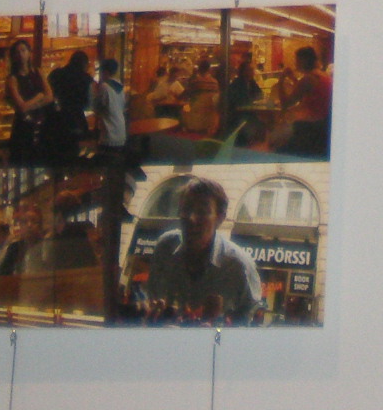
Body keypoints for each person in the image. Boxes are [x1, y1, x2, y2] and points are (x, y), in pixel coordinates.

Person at [145, 177, 262, 322]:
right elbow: (152, 296)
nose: (191, 218)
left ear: (220, 218)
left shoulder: (239, 265)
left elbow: (250, 316)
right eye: (186, 209)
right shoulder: (165, 248)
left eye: (202, 212)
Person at [4, 40, 52, 164]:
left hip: (41, 125)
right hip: (23, 128)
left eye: (23, 50)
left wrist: (32, 104)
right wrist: (38, 97)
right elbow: (21, 107)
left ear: (29, 53)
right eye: (17, 52)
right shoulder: (12, 79)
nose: (21, 54)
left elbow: (49, 97)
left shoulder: (38, 72)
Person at [44, 50, 94, 163]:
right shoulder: (86, 79)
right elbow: (89, 105)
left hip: (54, 122)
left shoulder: (55, 74)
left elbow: (47, 96)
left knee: (56, 159)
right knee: (74, 158)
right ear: (84, 64)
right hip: (76, 122)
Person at [282, 47, 332, 156]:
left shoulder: (308, 79)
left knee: (280, 136)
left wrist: (281, 79)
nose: (295, 63)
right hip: (324, 124)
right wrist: (293, 78)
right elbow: (305, 90)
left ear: (303, 61)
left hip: (311, 128)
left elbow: (285, 104)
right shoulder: (322, 75)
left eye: (297, 60)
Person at [222, 56, 264, 147]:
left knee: (263, 122)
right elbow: (240, 102)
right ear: (243, 72)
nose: (253, 72)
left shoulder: (251, 83)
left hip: (247, 112)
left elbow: (260, 95)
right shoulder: (237, 84)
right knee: (258, 123)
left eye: (252, 70)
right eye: (250, 70)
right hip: (236, 115)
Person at [91, 57, 128, 158]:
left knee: (105, 160)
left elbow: (97, 107)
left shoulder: (104, 87)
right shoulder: (121, 87)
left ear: (105, 71)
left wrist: (94, 92)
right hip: (121, 131)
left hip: (109, 133)